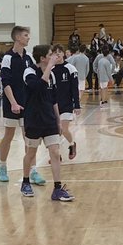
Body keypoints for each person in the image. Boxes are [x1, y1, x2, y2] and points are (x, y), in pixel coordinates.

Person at [19, 46, 73, 202]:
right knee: (31, 154)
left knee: (55, 153)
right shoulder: (29, 72)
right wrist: (49, 67)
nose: (54, 56)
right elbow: (38, 87)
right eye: (51, 55)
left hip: (49, 120)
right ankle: (25, 182)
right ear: (43, 58)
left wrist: (58, 121)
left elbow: (53, 99)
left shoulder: (52, 75)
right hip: (33, 120)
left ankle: (57, 189)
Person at [0, 26, 47, 184]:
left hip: (28, 104)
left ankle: (33, 171)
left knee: (29, 138)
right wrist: (13, 103)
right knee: (9, 135)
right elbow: (5, 82)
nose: (28, 37)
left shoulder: (29, 57)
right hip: (12, 104)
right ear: (17, 37)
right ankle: (2, 167)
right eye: (26, 35)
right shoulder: (7, 58)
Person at [50, 45, 80, 160]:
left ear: (63, 54)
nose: (57, 54)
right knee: (54, 131)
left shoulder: (70, 68)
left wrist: (77, 105)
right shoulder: (50, 69)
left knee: (63, 129)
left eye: (59, 52)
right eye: (54, 52)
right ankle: (57, 155)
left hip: (66, 104)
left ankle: (72, 144)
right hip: (53, 105)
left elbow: (75, 89)